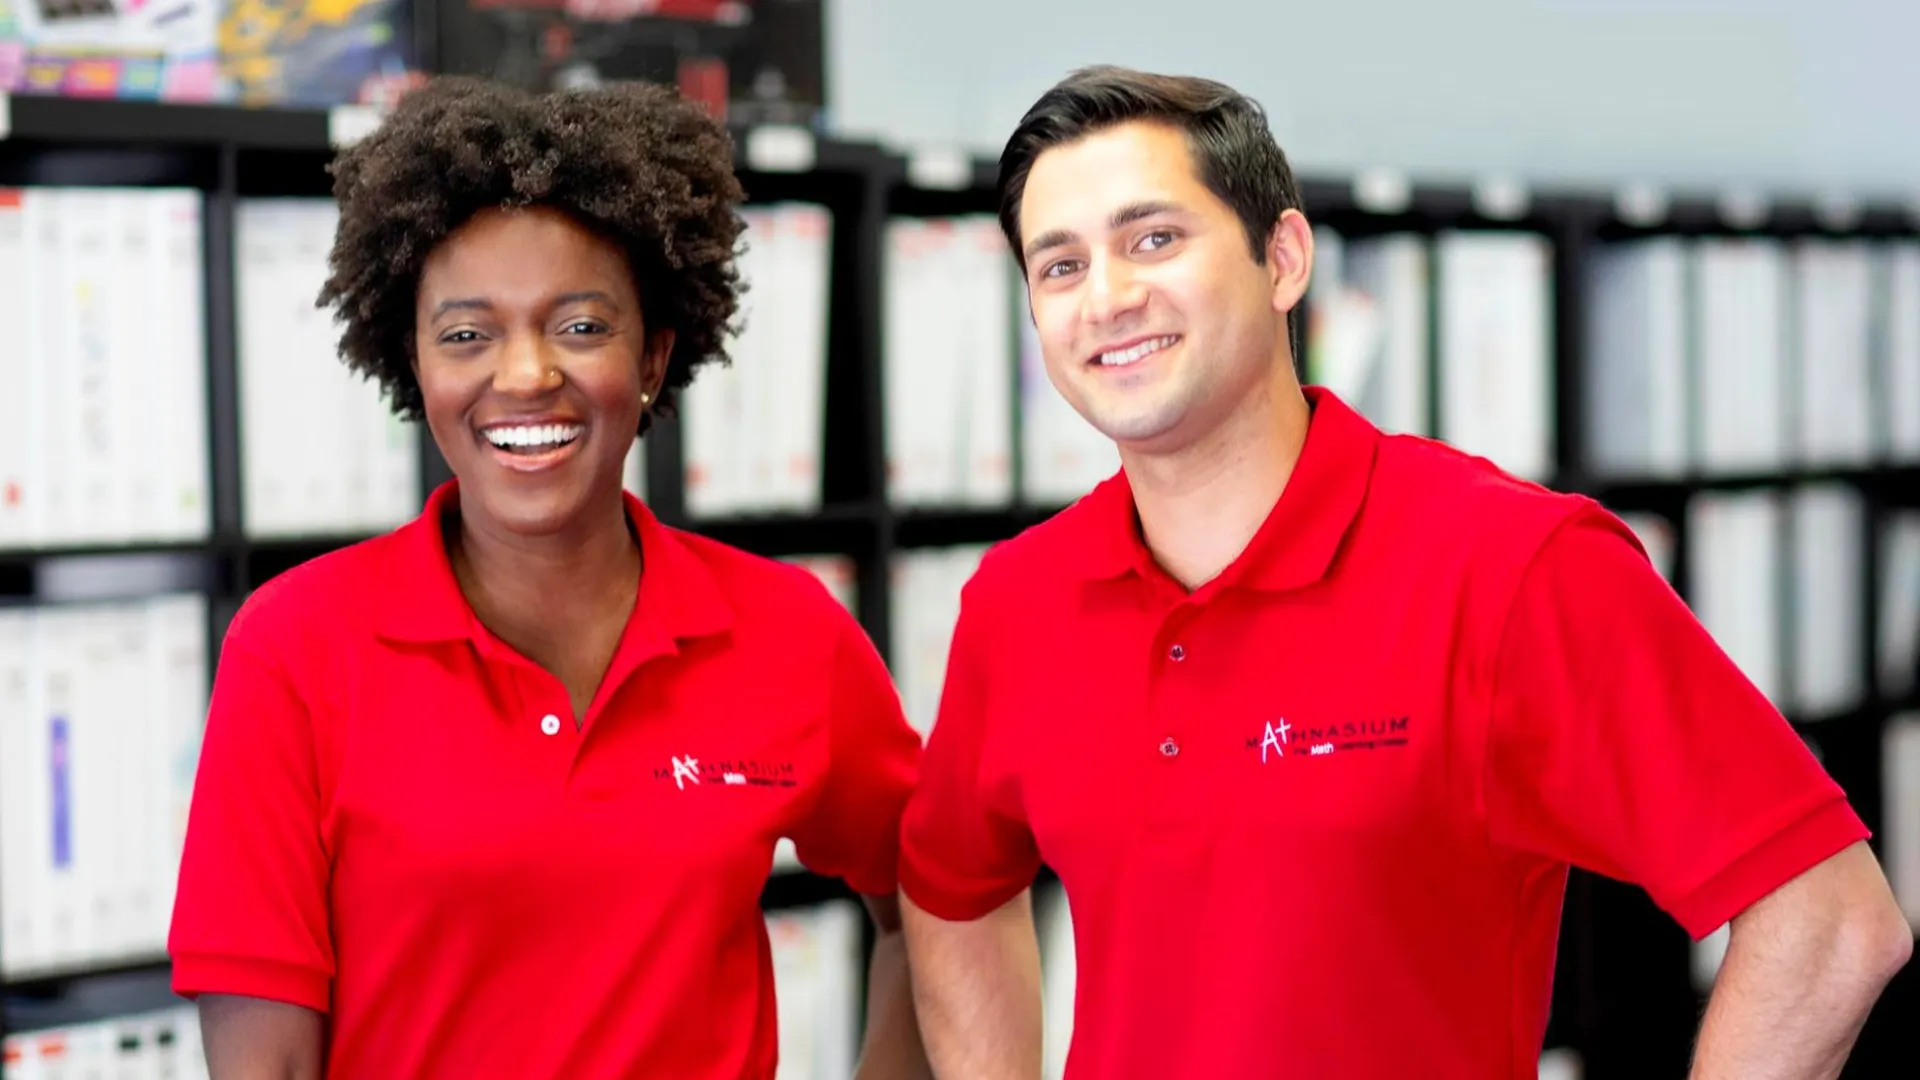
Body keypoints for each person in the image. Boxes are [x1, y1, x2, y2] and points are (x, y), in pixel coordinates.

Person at [896, 64, 1914, 1079]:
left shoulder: (1514, 565)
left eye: (1153, 239)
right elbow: (951, 889)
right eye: (1060, 266)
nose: (1109, 297)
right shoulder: (1018, 603)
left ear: (1283, 258)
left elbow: (1828, 923)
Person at [168, 76, 930, 1080]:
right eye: (467, 335)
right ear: (415, 367)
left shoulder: (789, 631)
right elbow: (265, 1062)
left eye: (579, 326)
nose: (524, 375)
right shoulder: (295, 648)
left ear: (654, 354)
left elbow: (935, 895)